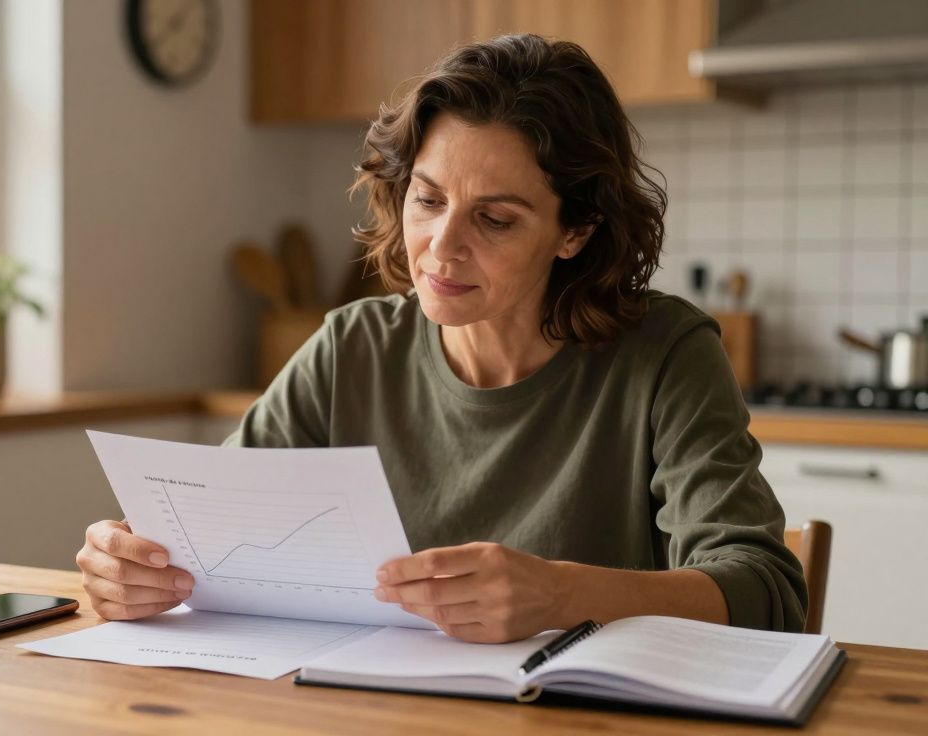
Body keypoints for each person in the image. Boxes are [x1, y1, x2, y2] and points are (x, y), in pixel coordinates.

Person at [75, 34, 807, 643]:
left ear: (576, 232)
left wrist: (559, 593)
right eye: (428, 200)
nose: (440, 248)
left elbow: (768, 592)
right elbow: (206, 541)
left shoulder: (666, 352)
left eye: (495, 218)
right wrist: (133, 566)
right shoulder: (350, 347)